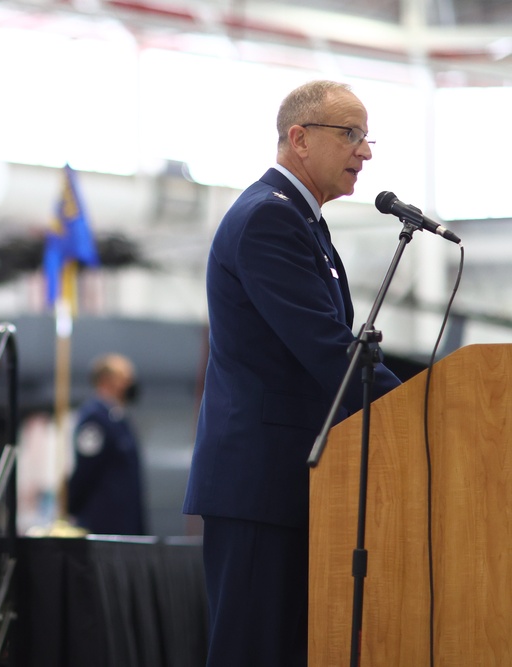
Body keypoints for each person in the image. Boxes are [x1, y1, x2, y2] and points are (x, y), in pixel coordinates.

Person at [182, 80, 401, 666]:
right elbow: (328, 349)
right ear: (299, 139)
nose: (366, 152)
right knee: (254, 652)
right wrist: (418, 412)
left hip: (293, 482)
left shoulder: (302, 222)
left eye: (366, 136)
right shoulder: (268, 220)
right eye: (350, 135)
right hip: (261, 482)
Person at [68, 353, 146, 535]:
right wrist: (74, 508)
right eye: (125, 378)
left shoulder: (118, 418)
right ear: (106, 381)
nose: (130, 384)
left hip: (124, 522)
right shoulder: (95, 420)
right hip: (103, 523)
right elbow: (86, 470)